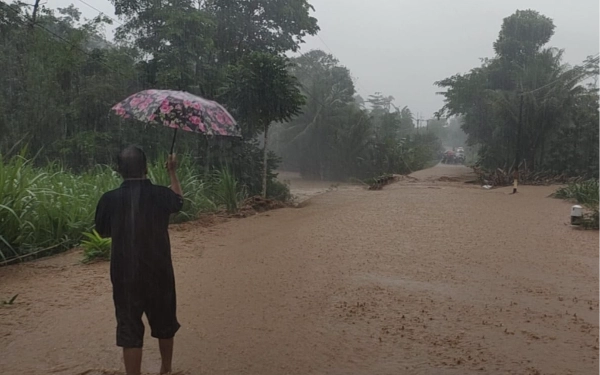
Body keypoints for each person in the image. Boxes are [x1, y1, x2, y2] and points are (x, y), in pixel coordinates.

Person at [95, 146, 183, 375]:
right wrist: (172, 171)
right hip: (159, 272)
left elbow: (103, 232)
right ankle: (166, 369)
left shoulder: (109, 200)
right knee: (165, 323)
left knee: (129, 329)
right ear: (146, 167)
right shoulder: (162, 195)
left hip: (125, 275)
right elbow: (178, 202)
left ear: (118, 170)